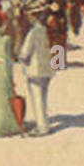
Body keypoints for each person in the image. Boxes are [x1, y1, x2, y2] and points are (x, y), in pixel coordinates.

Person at [19, 8, 55, 136]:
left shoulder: (33, 32)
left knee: (38, 99)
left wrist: (20, 58)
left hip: (35, 71)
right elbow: (58, 48)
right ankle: (44, 124)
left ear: (35, 17)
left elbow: (24, 53)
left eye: (31, 16)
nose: (29, 18)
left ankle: (42, 127)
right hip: (48, 69)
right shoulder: (49, 30)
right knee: (43, 98)